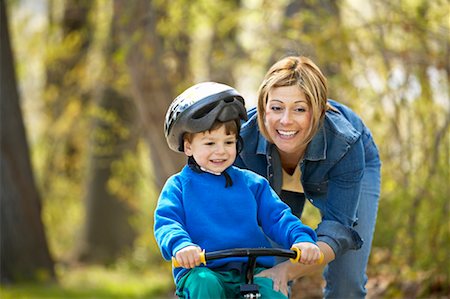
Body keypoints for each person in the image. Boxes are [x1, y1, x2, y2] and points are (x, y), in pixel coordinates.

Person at [154, 82, 322, 299]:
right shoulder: (178, 187)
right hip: (202, 270)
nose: (221, 151)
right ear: (188, 146)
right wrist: (180, 245)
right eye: (210, 143)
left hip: (251, 271)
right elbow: (167, 223)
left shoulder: (253, 184)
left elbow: (279, 217)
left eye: (228, 141)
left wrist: (302, 239)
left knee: (274, 291)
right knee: (205, 285)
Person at [235, 56, 381, 298]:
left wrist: (288, 271)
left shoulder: (345, 142)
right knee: (267, 268)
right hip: (276, 183)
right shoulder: (241, 142)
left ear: (318, 112)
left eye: (300, 109)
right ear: (263, 107)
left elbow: (339, 230)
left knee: (348, 282)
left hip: (343, 165)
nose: (286, 120)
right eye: (276, 107)